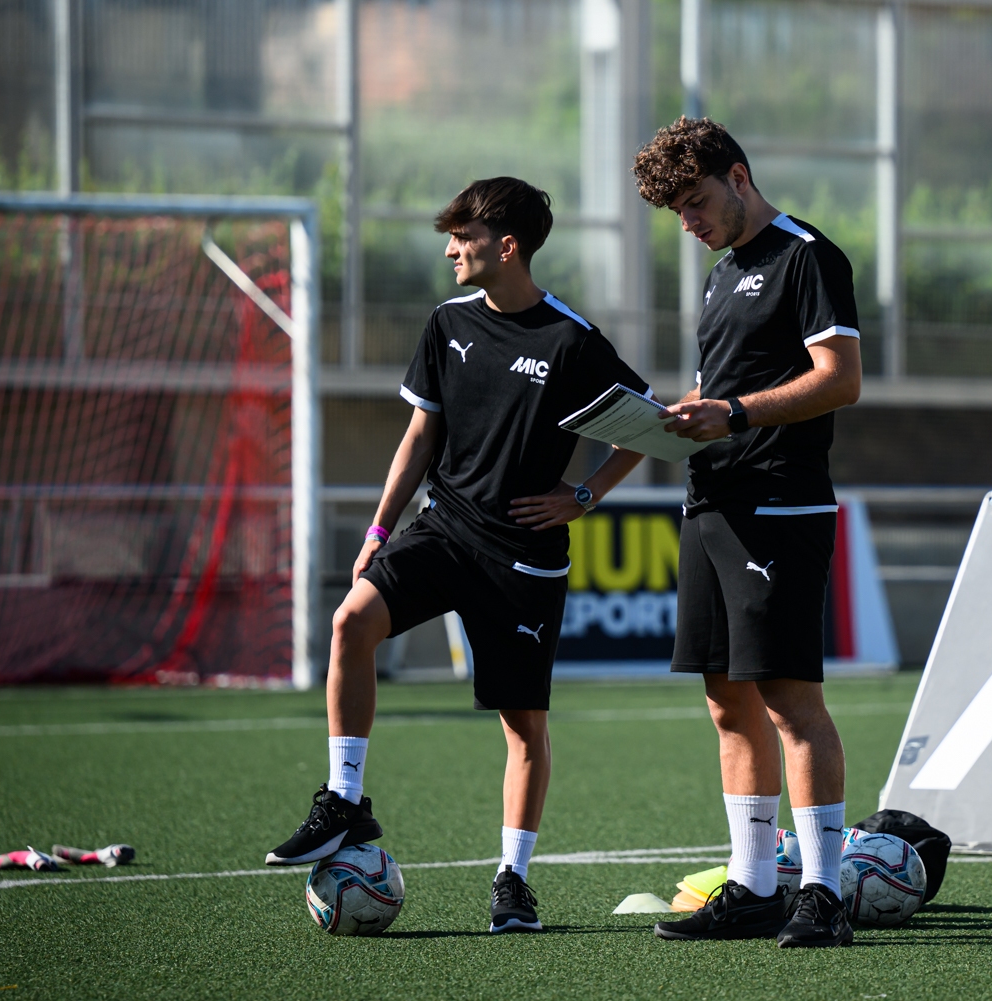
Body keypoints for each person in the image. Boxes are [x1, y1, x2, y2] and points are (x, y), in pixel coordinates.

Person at [264, 177, 652, 935]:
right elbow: (420, 437)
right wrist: (378, 532)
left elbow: (645, 426)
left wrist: (583, 495)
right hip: (444, 529)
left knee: (523, 727)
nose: (450, 250)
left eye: (462, 237)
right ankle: (344, 800)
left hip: (525, 557)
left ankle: (513, 880)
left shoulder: (571, 339)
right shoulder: (447, 322)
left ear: (506, 247)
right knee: (350, 623)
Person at [632, 118, 863, 948]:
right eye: (677, 213)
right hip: (712, 503)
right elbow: (723, 386)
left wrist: (730, 412)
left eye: (696, 202)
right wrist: (682, 416)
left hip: (780, 504)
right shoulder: (720, 275)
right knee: (726, 699)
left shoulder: (808, 256)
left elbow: (841, 379)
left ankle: (824, 893)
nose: (689, 223)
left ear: (738, 176)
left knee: (791, 701)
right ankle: (754, 886)